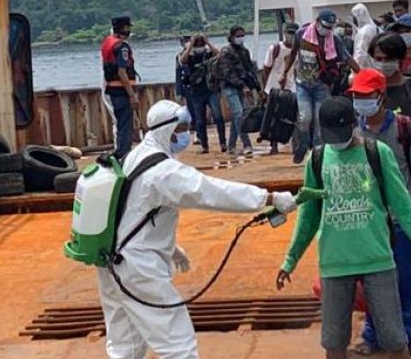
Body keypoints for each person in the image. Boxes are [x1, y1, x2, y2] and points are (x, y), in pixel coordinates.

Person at [97, 100, 298, 359]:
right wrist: (268, 198)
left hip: (111, 263)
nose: (187, 134)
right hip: (138, 269)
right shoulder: (164, 171)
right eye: (182, 128)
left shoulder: (135, 156)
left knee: (125, 347)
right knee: (178, 345)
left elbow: (133, 209)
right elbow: (210, 191)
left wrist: (169, 247)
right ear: (167, 131)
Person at [276, 96, 411, 359]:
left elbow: (403, 204)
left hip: (378, 261)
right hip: (335, 263)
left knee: (395, 338)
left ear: (353, 125)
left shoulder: (377, 153)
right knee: (334, 341)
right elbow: (308, 216)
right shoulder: (316, 160)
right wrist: (290, 259)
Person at [347, 69, 411, 357]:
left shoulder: (403, 128)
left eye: (366, 96)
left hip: (402, 221)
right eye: (356, 96)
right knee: (372, 283)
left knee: (405, 281)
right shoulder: (353, 133)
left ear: (381, 96)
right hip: (369, 224)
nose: (361, 101)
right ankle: (372, 333)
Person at [281, 10, 360, 163]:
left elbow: (346, 57)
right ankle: (303, 145)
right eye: (325, 26)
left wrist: (360, 73)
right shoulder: (302, 34)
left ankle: (317, 154)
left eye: (330, 27)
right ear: (317, 22)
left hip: (322, 85)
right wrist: (284, 73)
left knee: (319, 121)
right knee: (305, 118)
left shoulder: (335, 40)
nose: (327, 30)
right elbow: (293, 53)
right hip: (303, 83)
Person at [178, 34, 224, 154]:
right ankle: (204, 146)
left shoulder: (208, 55)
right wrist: (190, 46)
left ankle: (223, 143)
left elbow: (220, 55)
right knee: (200, 120)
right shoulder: (190, 56)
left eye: (201, 44)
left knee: (218, 116)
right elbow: (182, 60)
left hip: (210, 89)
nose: (200, 46)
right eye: (198, 44)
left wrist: (208, 43)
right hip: (196, 92)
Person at [217, 25, 259, 156]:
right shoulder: (226, 52)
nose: (240, 38)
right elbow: (228, 73)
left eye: (242, 35)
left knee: (237, 116)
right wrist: (243, 86)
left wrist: (256, 87)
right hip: (229, 87)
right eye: (238, 35)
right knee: (239, 114)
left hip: (241, 87)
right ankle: (247, 144)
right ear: (231, 37)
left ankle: (231, 146)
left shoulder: (244, 51)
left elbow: (249, 71)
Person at [102, 16, 140, 160]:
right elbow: (122, 72)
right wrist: (132, 95)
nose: (129, 31)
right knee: (125, 125)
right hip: (122, 91)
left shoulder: (107, 43)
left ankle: (120, 151)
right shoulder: (121, 46)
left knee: (119, 123)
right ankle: (123, 154)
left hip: (112, 90)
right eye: (127, 28)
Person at [261, 23, 299, 155]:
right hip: (274, 86)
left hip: (291, 87)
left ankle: (295, 143)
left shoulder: (299, 50)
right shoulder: (275, 48)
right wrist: (265, 88)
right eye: (289, 33)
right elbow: (266, 68)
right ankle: (274, 145)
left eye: (294, 33)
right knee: (273, 115)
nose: (291, 36)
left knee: (292, 115)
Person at [351, 4, 380, 69]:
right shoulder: (376, 28)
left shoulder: (363, 32)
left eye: (354, 17)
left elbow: (360, 54)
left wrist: (354, 72)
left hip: (366, 68)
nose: (353, 20)